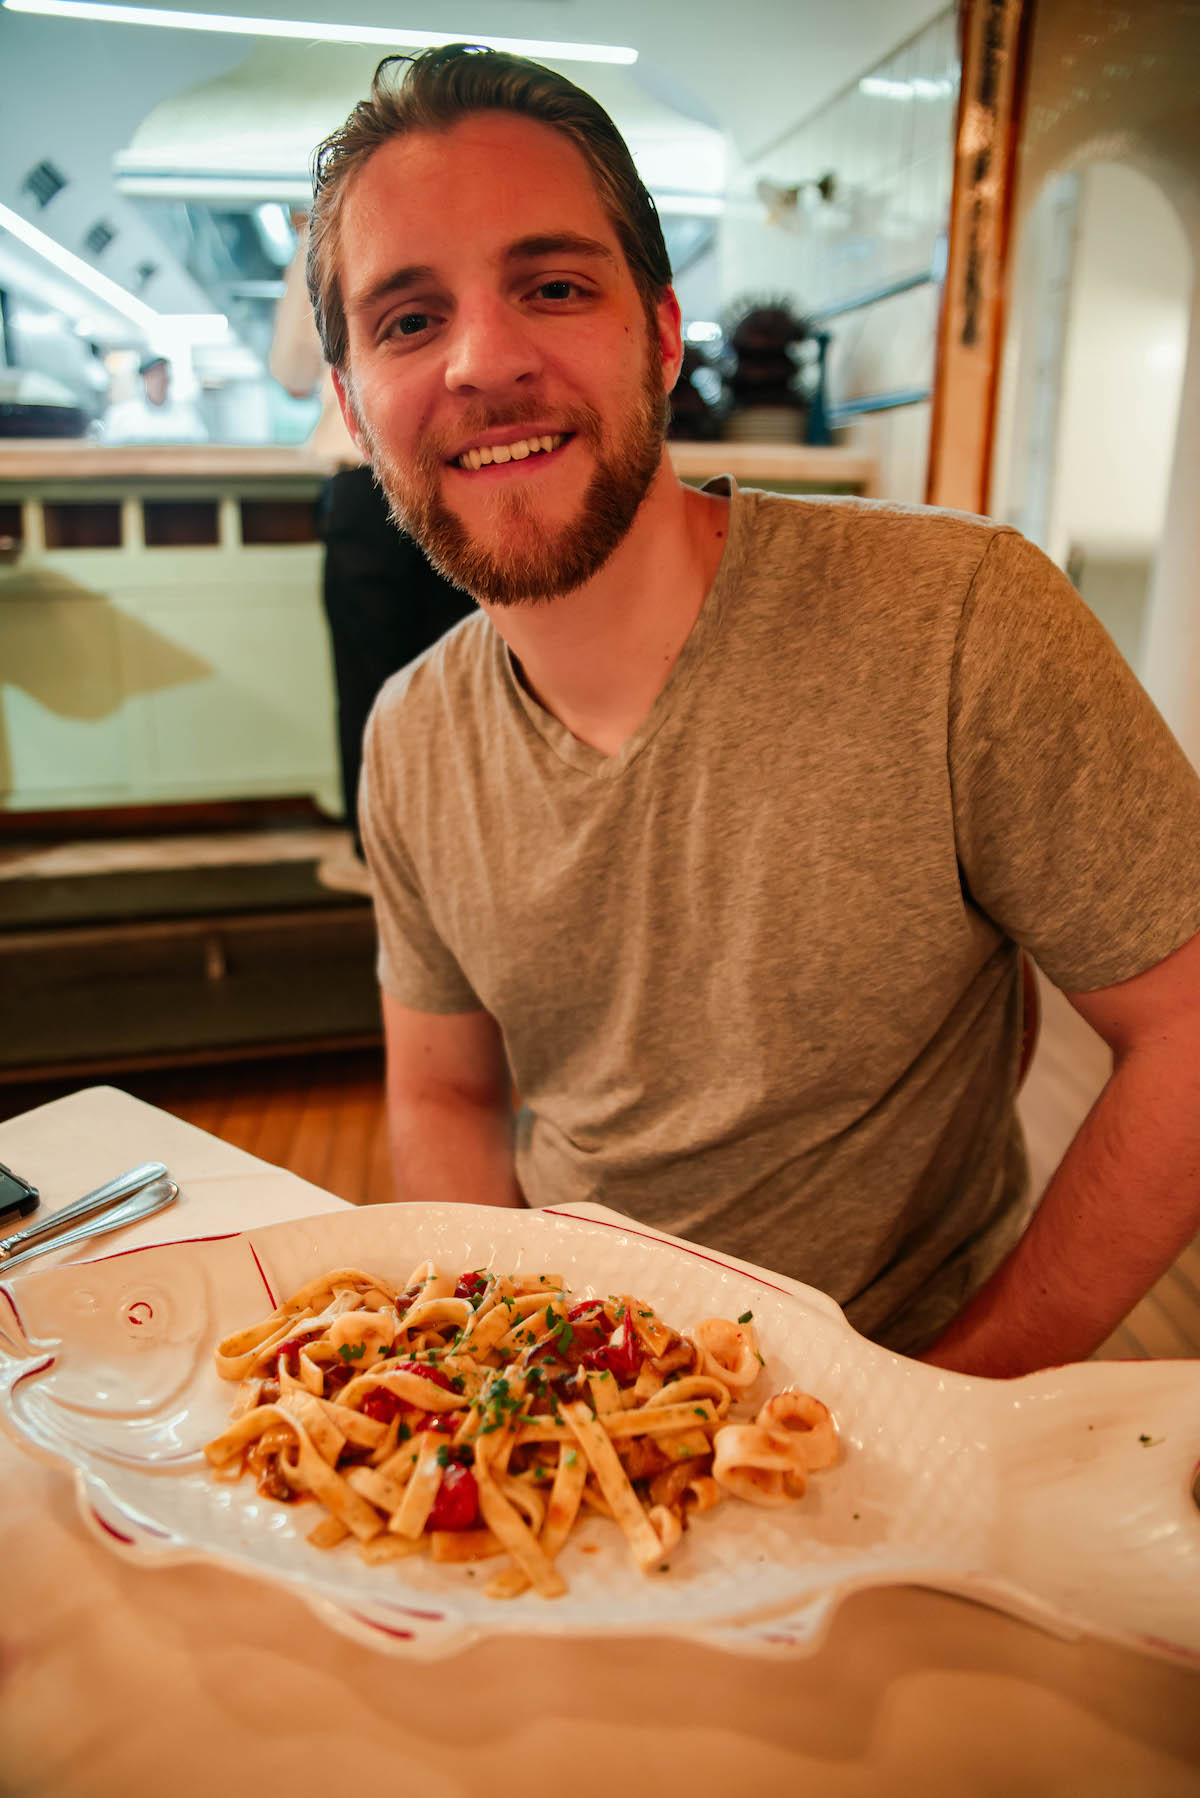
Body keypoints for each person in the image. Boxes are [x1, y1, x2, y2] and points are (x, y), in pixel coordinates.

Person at [304, 44, 1200, 1379]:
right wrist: (508, 1382)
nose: (484, 361)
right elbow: (446, 1090)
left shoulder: (963, 622)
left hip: (923, 1376)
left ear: (662, 335)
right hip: (585, 1407)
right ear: (352, 408)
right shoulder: (411, 740)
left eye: (552, 286)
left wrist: (949, 1405)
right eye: (407, 319)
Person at [270, 217, 475, 893]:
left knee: (370, 677)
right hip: (460, 467)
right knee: (463, 669)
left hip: (368, 475)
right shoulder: (455, 217)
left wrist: (306, 246)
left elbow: (295, 372)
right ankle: (469, 847)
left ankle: (377, 858)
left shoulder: (327, 238)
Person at [102, 353, 207, 444]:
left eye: (162, 374)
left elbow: (202, 448)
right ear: (144, 380)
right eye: (153, 376)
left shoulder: (187, 415)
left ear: (168, 379)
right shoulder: (121, 416)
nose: (158, 381)